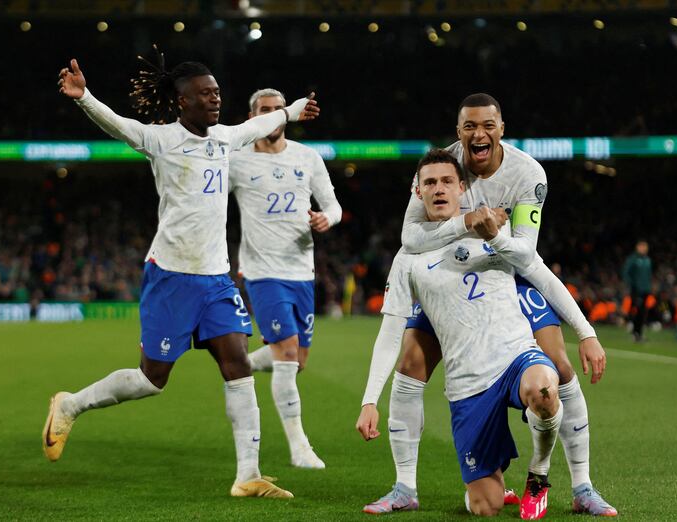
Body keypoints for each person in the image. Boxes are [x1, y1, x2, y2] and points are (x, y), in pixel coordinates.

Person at [43, 52, 318, 499]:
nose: (215, 100)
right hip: (171, 276)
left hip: (216, 280)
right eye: (206, 94)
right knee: (152, 379)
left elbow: (259, 126)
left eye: (217, 93)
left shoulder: (225, 139)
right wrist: (84, 97)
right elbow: (117, 124)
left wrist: (293, 111)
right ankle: (71, 403)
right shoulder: (159, 140)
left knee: (238, 365)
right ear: (182, 101)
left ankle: (248, 475)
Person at [358, 94, 616, 517]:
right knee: (410, 362)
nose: (478, 134)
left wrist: (585, 331)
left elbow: (526, 254)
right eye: (469, 127)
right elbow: (410, 235)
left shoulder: (527, 174)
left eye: (487, 126)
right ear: (459, 132)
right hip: (439, 269)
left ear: (501, 128)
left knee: (557, 366)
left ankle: (581, 485)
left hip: (504, 265)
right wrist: (464, 224)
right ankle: (405, 486)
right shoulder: (442, 167)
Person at [361, 150, 563, 518]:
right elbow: (390, 332)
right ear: (418, 192)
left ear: (463, 188)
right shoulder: (408, 258)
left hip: (515, 359)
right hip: (468, 384)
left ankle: (542, 475)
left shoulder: (494, 232)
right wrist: (369, 400)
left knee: (547, 387)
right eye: (430, 183)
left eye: (447, 181)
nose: (439, 189)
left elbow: (539, 271)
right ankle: (479, 483)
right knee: (485, 507)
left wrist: (588, 331)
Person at [228, 88, 342, 469]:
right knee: (288, 352)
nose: (274, 115)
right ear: (251, 116)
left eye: (279, 109)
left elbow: (332, 204)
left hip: (301, 272)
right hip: (261, 273)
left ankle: (239, 361)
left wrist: (328, 218)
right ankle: (299, 447)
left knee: (296, 360)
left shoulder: (307, 158)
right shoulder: (237, 160)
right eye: (265, 110)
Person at [622, 240, 653, 342]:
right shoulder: (633, 259)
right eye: (641, 246)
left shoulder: (647, 260)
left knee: (643, 312)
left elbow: (648, 275)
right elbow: (626, 272)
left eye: (645, 247)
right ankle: (634, 332)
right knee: (636, 310)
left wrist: (649, 286)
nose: (643, 249)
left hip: (646, 290)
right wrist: (632, 284)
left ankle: (639, 333)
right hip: (636, 290)